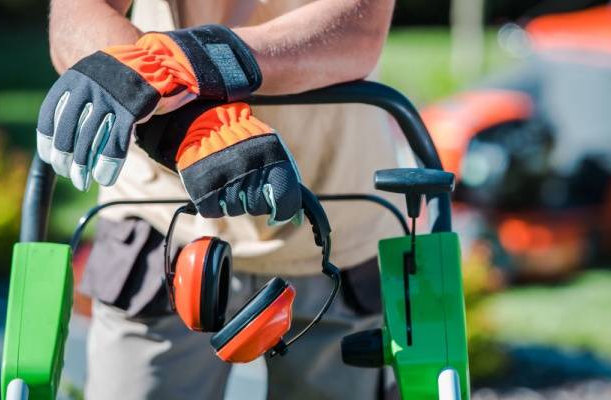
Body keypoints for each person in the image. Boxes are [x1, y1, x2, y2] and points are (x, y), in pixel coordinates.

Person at [39, 0, 401, 399]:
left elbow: (359, 28)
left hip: (336, 230)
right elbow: (78, 14)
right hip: (162, 225)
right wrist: (190, 124)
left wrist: (190, 63)